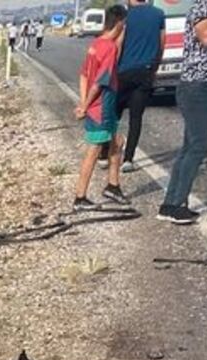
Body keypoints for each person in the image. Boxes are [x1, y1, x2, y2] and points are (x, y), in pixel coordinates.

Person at [157, 0, 207, 224]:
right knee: (200, 144)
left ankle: (170, 204)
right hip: (197, 86)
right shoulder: (206, 5)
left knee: (190, 146)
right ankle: (176, 205)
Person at [73, 5, 131, 211]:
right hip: (101, 108)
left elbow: (83, 76)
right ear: (119, 24)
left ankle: (113, 185)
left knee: (117, 141)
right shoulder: (109, 48)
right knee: (94, 150)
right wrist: (86, 106)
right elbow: (99, 82)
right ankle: (80, 197)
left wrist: (82, 103)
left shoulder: (95, 44)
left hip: (96, 107)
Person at [115, 0, 166, 173]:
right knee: (136, 118)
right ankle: (128, 159)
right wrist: (155, 68)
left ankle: (105, 153)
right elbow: (162, 43)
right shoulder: (158, 14)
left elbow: (119, 44)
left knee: (114, 114)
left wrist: (113, 68)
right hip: (145, 71)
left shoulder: (126, 15)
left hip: (124, 71)